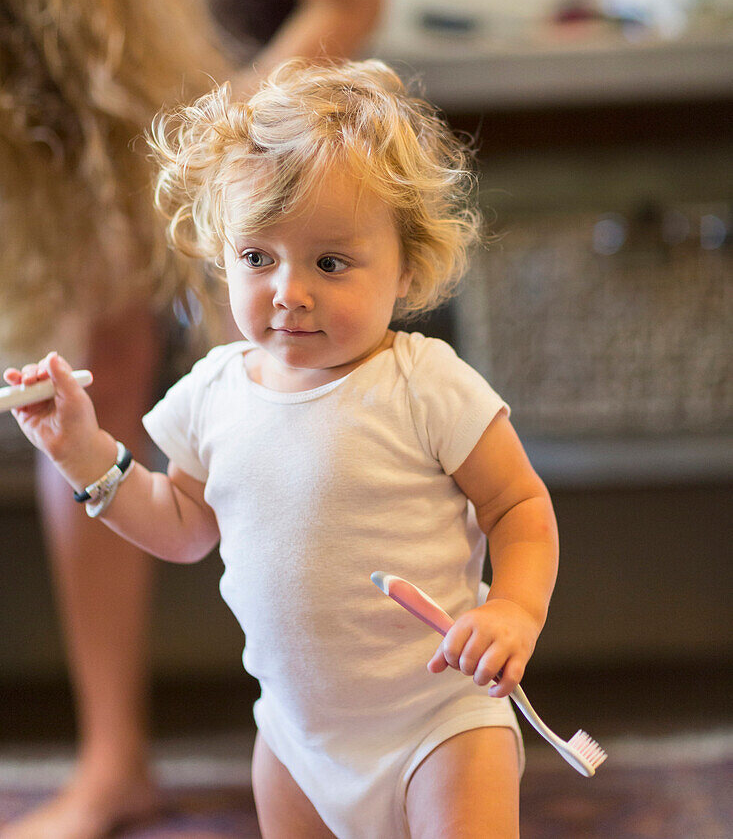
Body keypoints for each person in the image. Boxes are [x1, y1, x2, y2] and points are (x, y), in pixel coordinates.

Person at [5, 59, 560, 839]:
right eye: (257, 258)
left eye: (330, 263)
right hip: (296, 740)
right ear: (221, 253)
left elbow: (519, 506)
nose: (288, 292)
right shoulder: (213, 392)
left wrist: (513, 609)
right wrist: (83, 450)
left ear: (407, 266)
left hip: (440, 724)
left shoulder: (425, 384)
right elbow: (182, 524)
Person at [0, 0, 381, 833]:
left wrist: (229, 153)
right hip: (123, 108)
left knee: (283, 378)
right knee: (93, 360)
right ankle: (113, 758)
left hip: (272, 100)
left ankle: (372, 723)